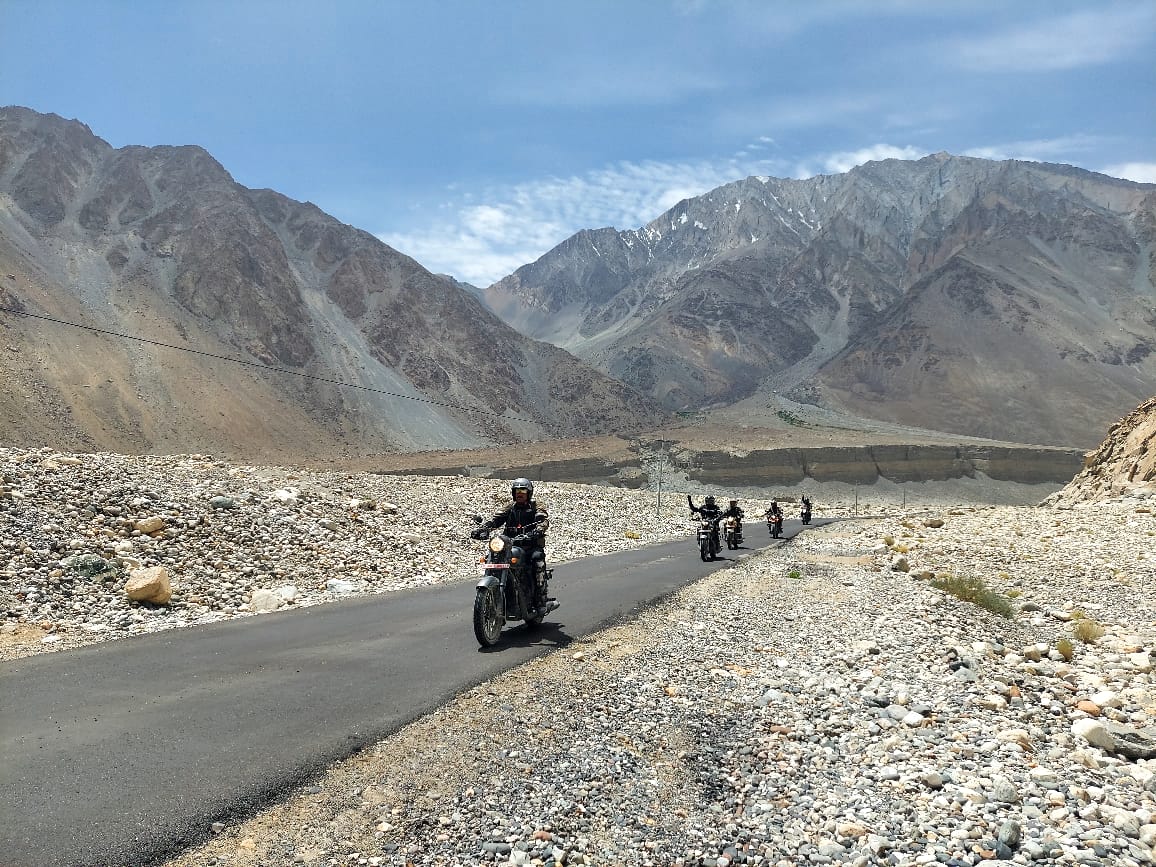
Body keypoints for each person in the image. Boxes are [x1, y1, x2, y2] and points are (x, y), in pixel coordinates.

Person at [472, 478, 550, 611]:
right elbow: (496, 519)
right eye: (517, 491)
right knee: (492, 557)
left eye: (523, 491)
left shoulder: (536, 505)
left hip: (529, 545)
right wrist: (483, 528)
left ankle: (540, 599)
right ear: (513, 493)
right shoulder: (510, 507)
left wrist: (538, 530)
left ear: (529, 493)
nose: (520, 494)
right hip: (509, 545)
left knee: (537, 559)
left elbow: (543, 519)